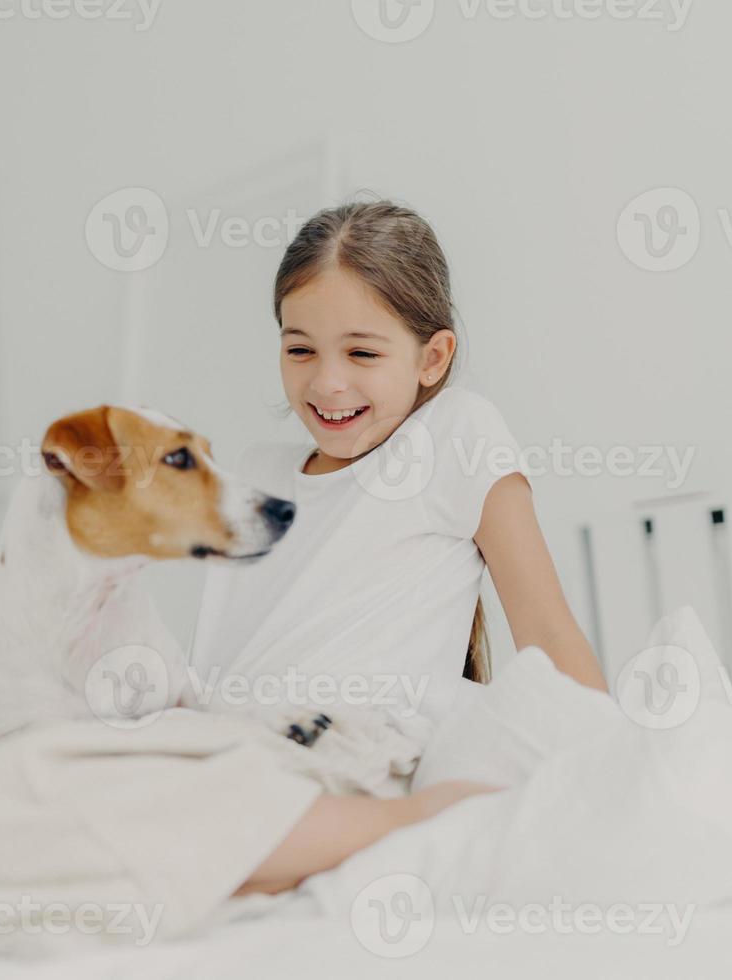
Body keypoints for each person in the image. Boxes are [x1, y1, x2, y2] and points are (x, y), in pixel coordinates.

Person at [212, 199, 609, 895]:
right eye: (299, 348)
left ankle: (425, 816)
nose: (327, 381)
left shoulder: (456, 433)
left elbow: (547, 630)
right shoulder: (256, 472)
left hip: (349, 749)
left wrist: (612, 774)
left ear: (433, 357)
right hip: (238, 742)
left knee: (199, 841)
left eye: (362, 352)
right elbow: (230, 650)